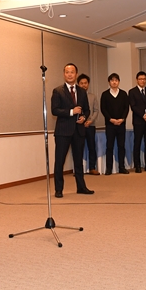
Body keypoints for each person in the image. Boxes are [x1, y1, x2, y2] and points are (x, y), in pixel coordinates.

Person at [51, 63, 95, 195]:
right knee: (60, 160)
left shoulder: (82, 91)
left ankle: (81, 187)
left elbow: (86, 109)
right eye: (67, 72)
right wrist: (71, 111)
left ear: (76, 74)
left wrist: (83, 117)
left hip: (78, 130)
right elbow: (55, 110)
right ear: (64, 74)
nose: (70, 74)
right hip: (63, 131)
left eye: (72, 72)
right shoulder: (57, 90)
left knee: (78, 160)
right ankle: (59, 189)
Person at [100, 73, 130, 175]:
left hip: (121, 124)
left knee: (121, 146)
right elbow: (103, 109)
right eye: (112, 80)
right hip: (110, 124)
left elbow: (126, 108)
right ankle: (109, 168)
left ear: (118, 82)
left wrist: (122, 119)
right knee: (110, 146)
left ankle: (121, 167)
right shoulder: (105, 94)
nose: (114, 82)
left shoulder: (123, 94)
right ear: (109, 82)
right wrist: (110, 119)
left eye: (116, 80)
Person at [128, 71, 146, 173]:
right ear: (137, 80)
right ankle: (137, 165)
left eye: (144, 79)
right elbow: (133, 106)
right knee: (137, 143)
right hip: (138, 121)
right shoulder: (132, 92)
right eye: (140, 79)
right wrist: (143, 115)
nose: (142, 81)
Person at [77, 74, 99, 175]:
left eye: (85, 83)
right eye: (81, 83)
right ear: (78, 84)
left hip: (90, 125)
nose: (83, 85)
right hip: (78, 125)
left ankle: (92, 168)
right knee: (78, 148)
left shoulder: (92, 96)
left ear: (88, 84)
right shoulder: (75, 96)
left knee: (91, 147)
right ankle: (78, 170)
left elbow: (96, 110)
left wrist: (90, 121)